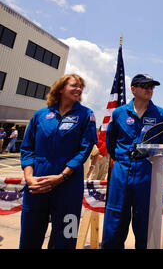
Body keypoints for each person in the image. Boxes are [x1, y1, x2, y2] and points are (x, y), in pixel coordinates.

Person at [19, 74, 98, 249]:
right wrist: (30, 178)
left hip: (68, 184)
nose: (79, 89)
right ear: (61, 88)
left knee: (66, 236)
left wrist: (62, 176)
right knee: (30, 234)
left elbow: (85, 149)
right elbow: (27, 148)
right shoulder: (41, 115)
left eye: (81, 87)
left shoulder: (86, 115)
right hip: (37, 182)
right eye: (74, 85)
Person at [102, 74, 163, 249]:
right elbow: (111, 143)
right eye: (144, 85)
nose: (149, 89)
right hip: (122, 172)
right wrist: (124, 158)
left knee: (145, 223)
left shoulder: (160, 114)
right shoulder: (118, 113)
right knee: (115, 222)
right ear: (133, 89)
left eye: (152, 86)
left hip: (147, 172)